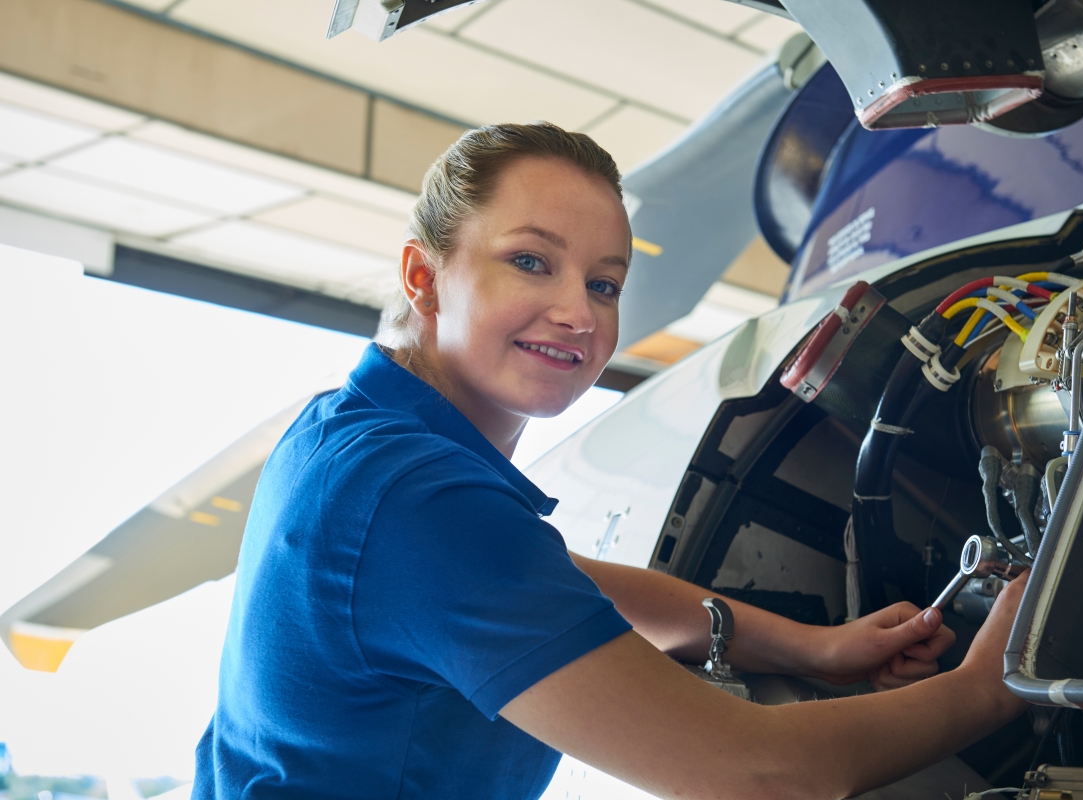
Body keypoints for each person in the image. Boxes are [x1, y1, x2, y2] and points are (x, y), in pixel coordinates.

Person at [193, 122, 1028, 800]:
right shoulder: (417, 501)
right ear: (424, 274)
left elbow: (565, 581)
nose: (577, 314)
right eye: (530, 262)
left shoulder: (347, 434)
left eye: (604, 284)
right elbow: (762, 774)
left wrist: (808, 648)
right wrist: (987, 687)